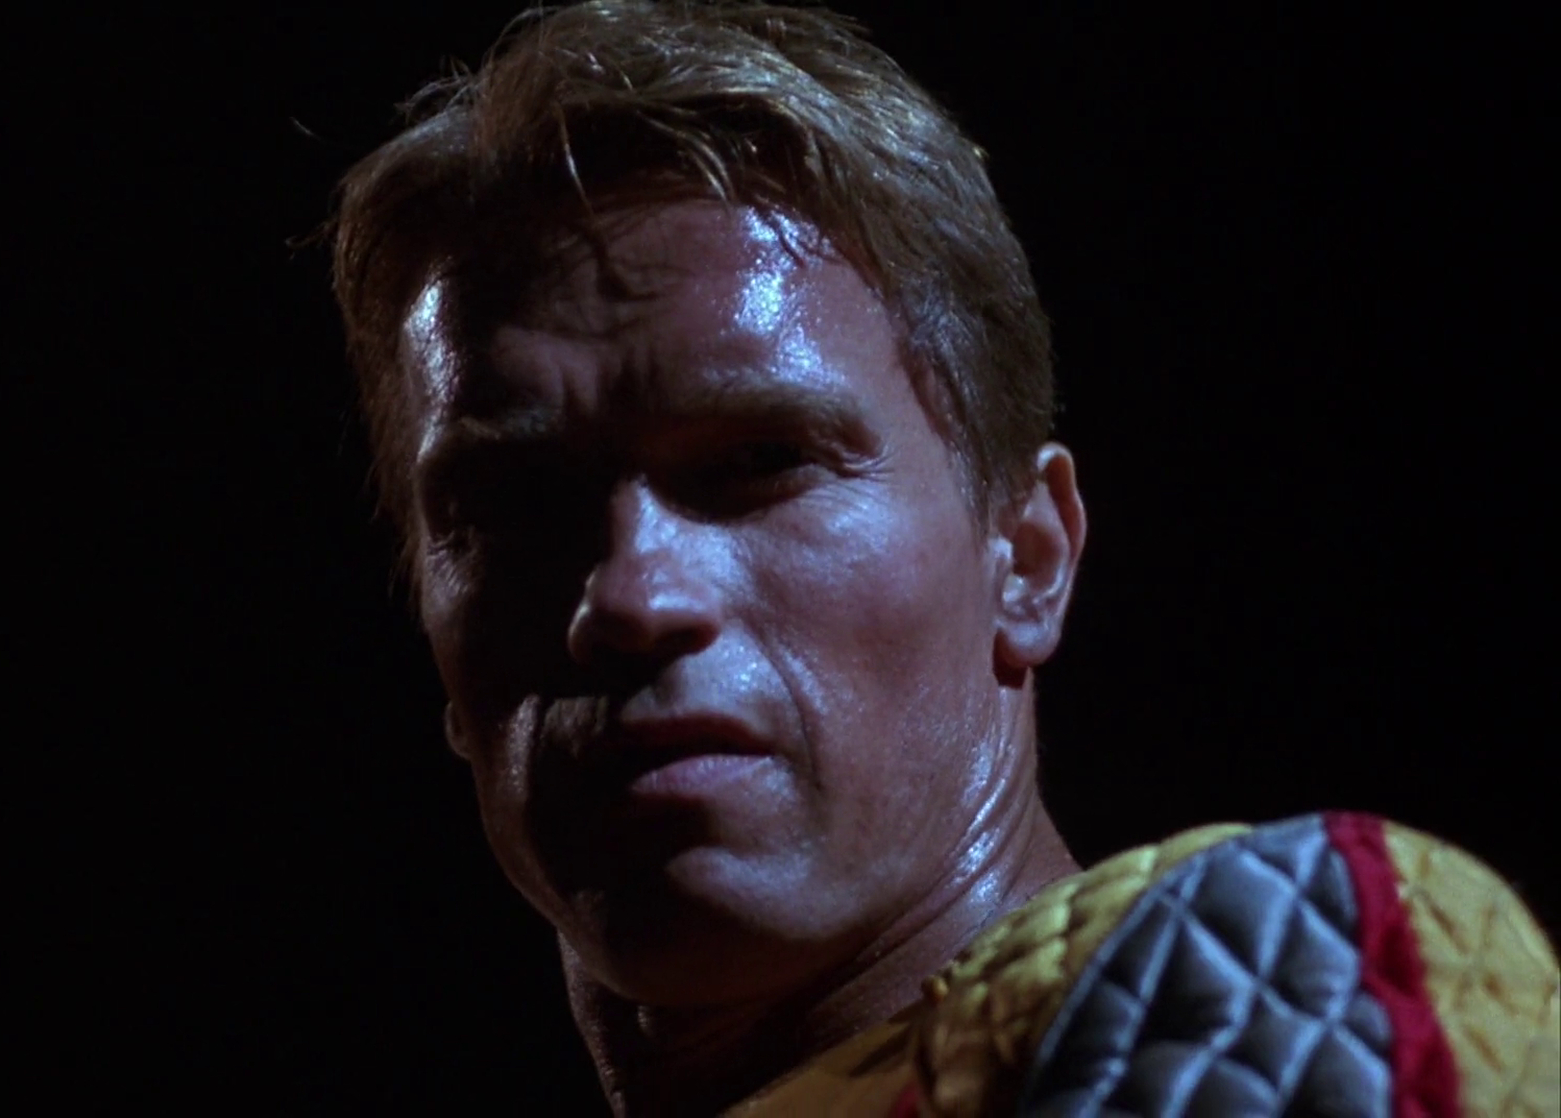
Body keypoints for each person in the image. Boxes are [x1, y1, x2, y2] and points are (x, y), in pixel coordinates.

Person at [324, 3, 1559, 1113]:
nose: (629, 594)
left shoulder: (1291, 963)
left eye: (759, 461)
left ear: (1026, 557)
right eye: (511, 504)